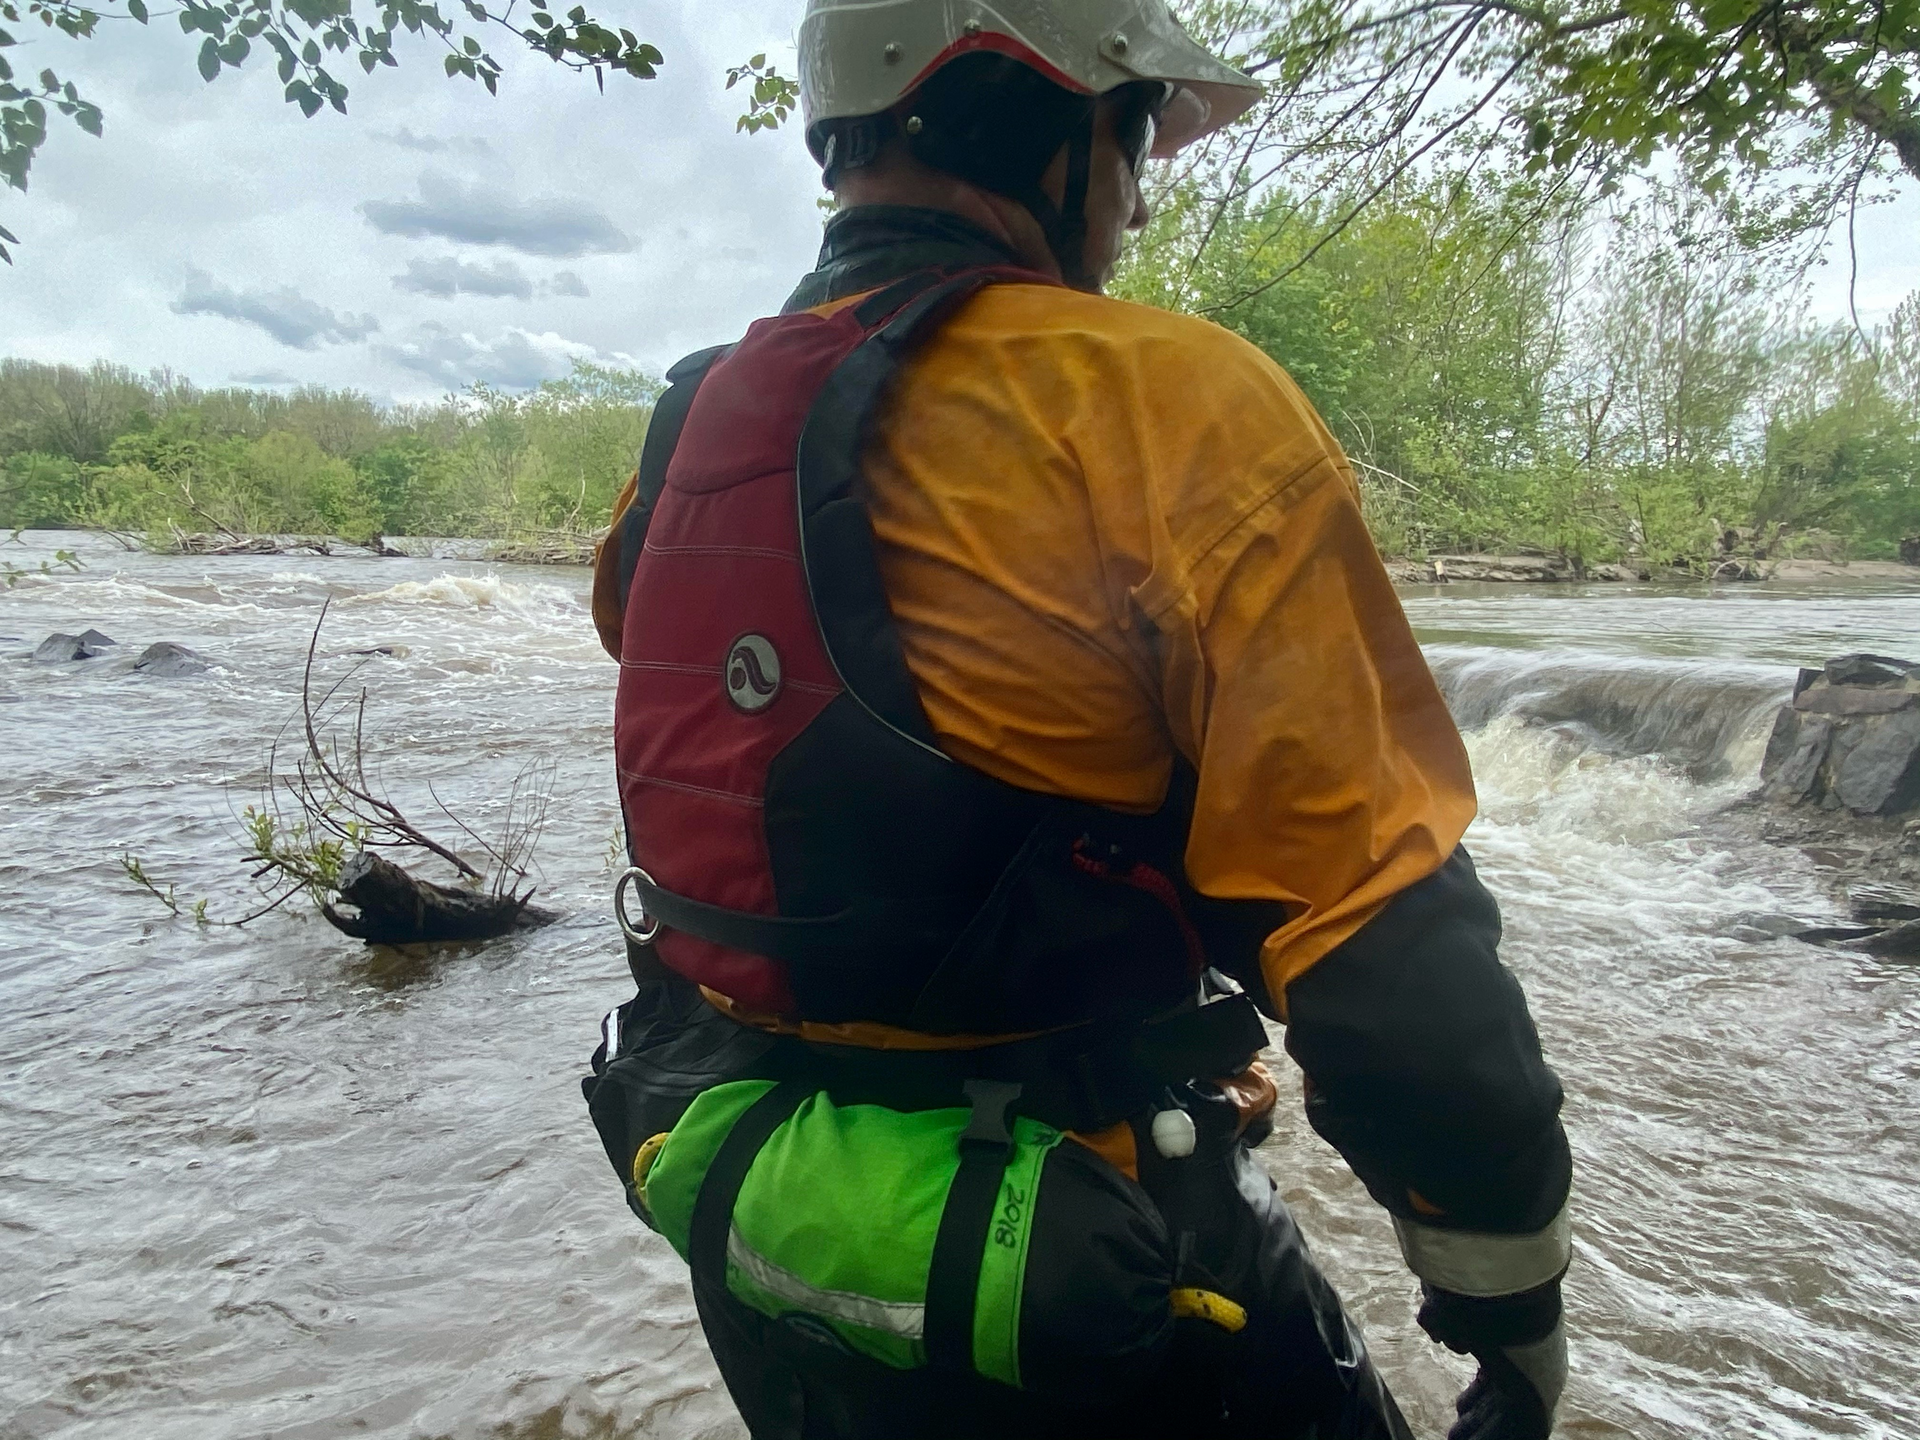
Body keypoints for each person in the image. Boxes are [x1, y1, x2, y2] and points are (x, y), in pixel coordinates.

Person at [582, 4, 1573, 1437]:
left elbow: (671, 674)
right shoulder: (1167, 402)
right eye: (1131, 138)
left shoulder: (686, 427)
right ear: (1033, 120)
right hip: (1089, 1263)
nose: (1144, 190)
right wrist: (1513, 1318)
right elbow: (1384, 950)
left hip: (786, 1234)